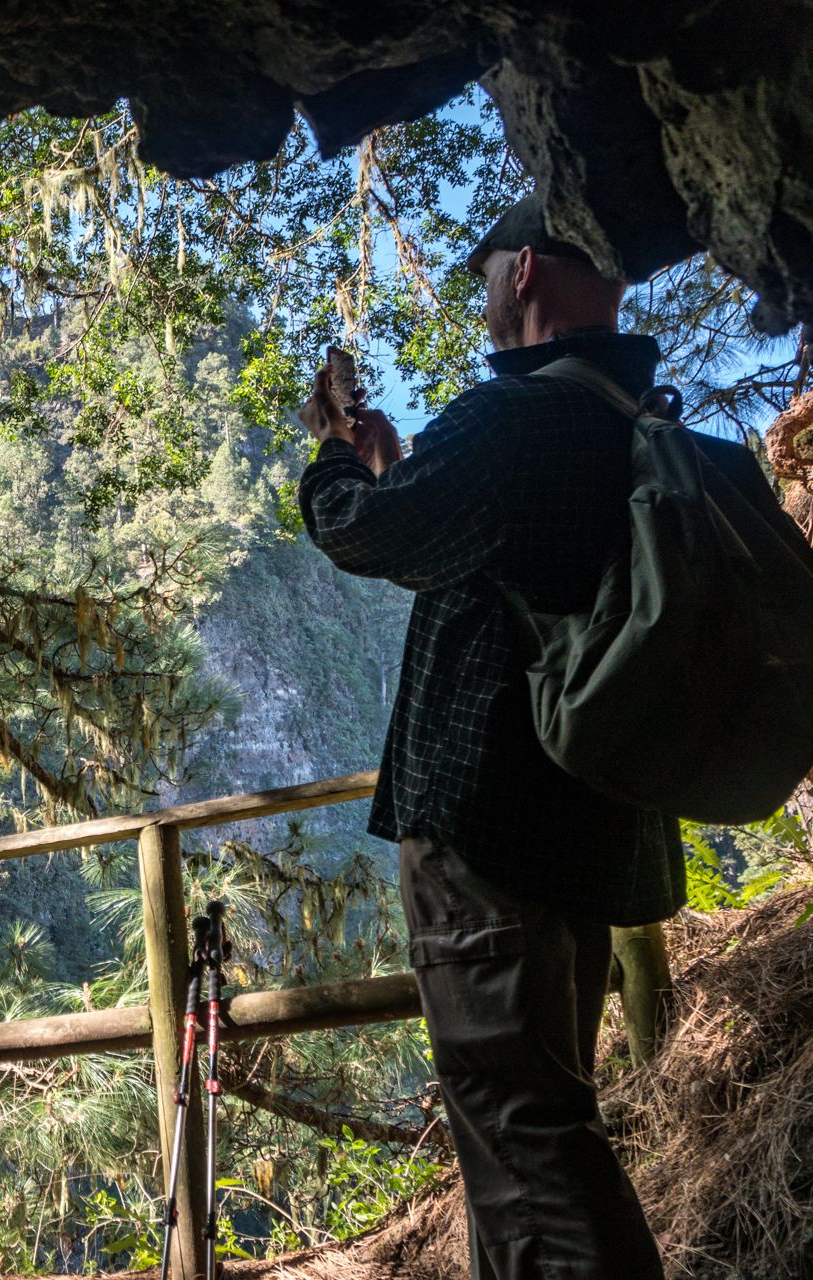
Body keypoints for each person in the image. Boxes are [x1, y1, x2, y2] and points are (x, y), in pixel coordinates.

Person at [295, 194, 779, 1279]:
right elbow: (481, 547)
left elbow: (368, 531)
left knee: (523, 1133)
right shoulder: (628, 417)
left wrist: (336, 460)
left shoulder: (515, 418)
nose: (479, 291)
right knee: (548, 1123)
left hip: (489, 825)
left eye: (485, 270)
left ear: (523, 274)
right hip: (589, 828)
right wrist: (403, 466)